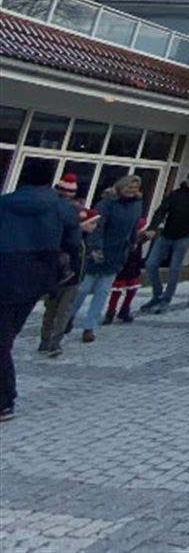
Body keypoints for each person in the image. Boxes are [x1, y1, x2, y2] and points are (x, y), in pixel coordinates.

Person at [0, 164, 82, 420]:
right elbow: (73, 243)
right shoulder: (62, 208)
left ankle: (5, 399)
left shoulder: (4, 204)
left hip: (4, 270)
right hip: (37, 277)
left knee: (2, 339)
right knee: (6, 335)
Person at [69, 176, 145, 343]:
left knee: (102, 291)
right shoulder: (107, 203)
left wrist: (133, 243)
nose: (131, 191)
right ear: (120, 186)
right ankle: (68, 317)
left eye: (134, 188)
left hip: (118, 253)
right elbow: (98, 226)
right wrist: (95, 247)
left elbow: (133, 227)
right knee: (84, 288)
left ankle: (89, 326)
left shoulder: (136, 204)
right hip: (100, 249)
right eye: (129, 188)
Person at [140, 169, 189, 314]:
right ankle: (157, 293)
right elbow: (161, 211)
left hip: (185, 236)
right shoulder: (175, 194)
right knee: (151, 264)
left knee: (174, 269)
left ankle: (166, 299)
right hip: (167, 234)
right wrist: (153, 227)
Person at [40, 204, 96, 357]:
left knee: (63, 312)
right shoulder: (68, 240)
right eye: (91, 223)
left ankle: (55, 342)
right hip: (58, 280)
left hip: (74, 282)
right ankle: (45, 340)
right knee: (51, 311)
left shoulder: (86, 242)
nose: (94, 227)